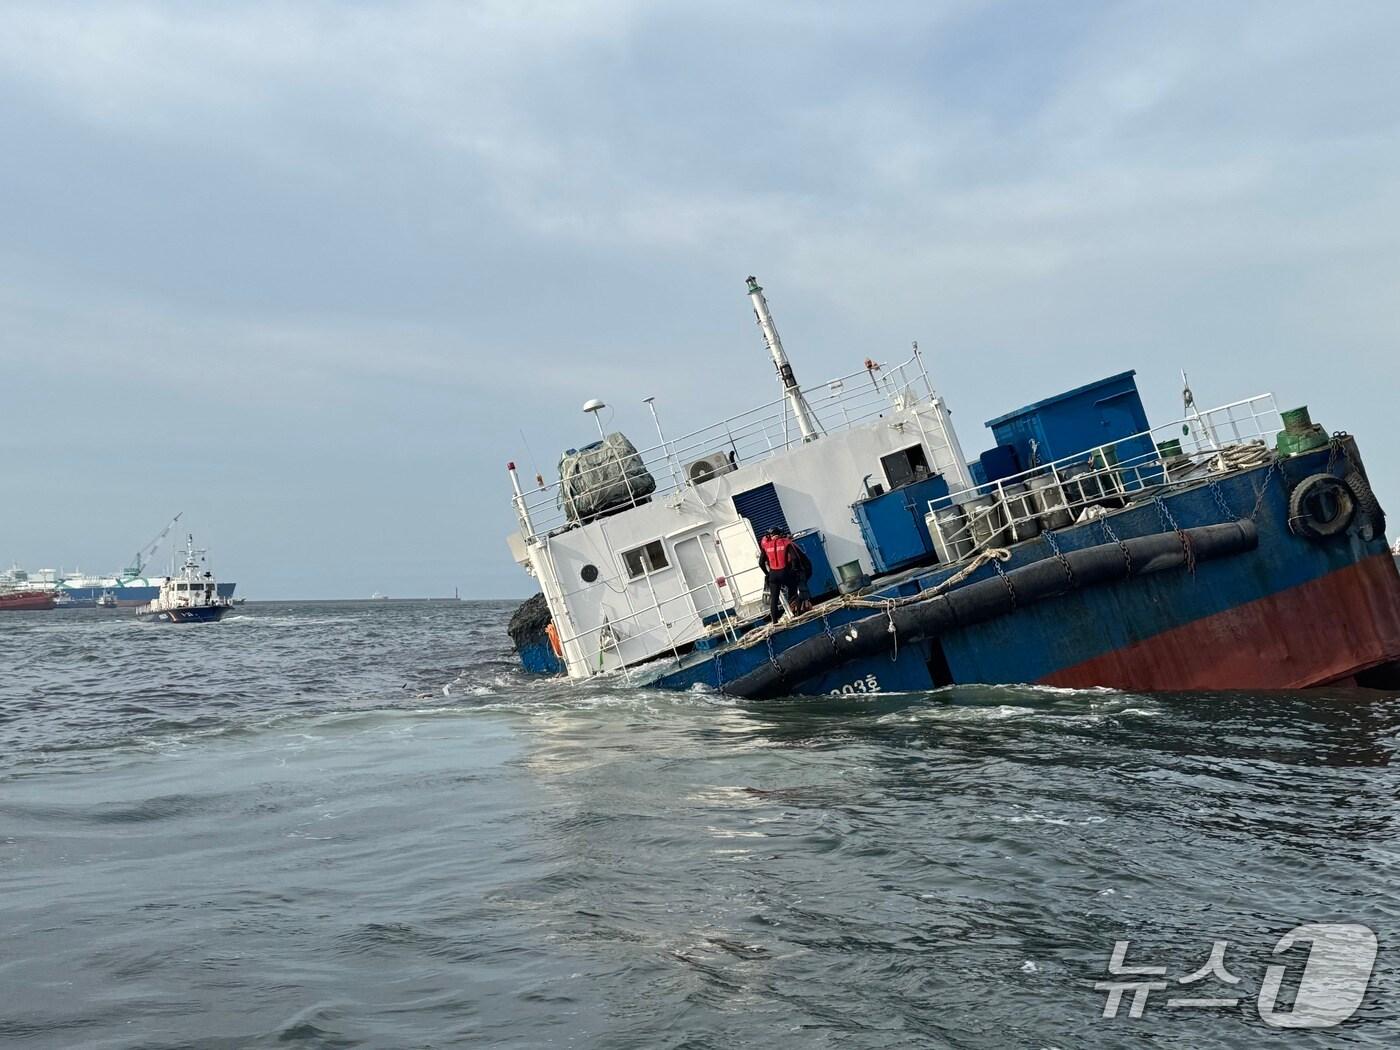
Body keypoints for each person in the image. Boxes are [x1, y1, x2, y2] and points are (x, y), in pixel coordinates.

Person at [759, 525, 808, 623]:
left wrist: (767, 573)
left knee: (774, 599)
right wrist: (794, 570)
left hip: (773, 575)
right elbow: (795, 558)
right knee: (794, 590)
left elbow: (761, 563)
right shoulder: (786, 542)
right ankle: (797, 613)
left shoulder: (766, 546)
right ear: (780, 534)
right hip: (784, 572)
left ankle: (774, 622)